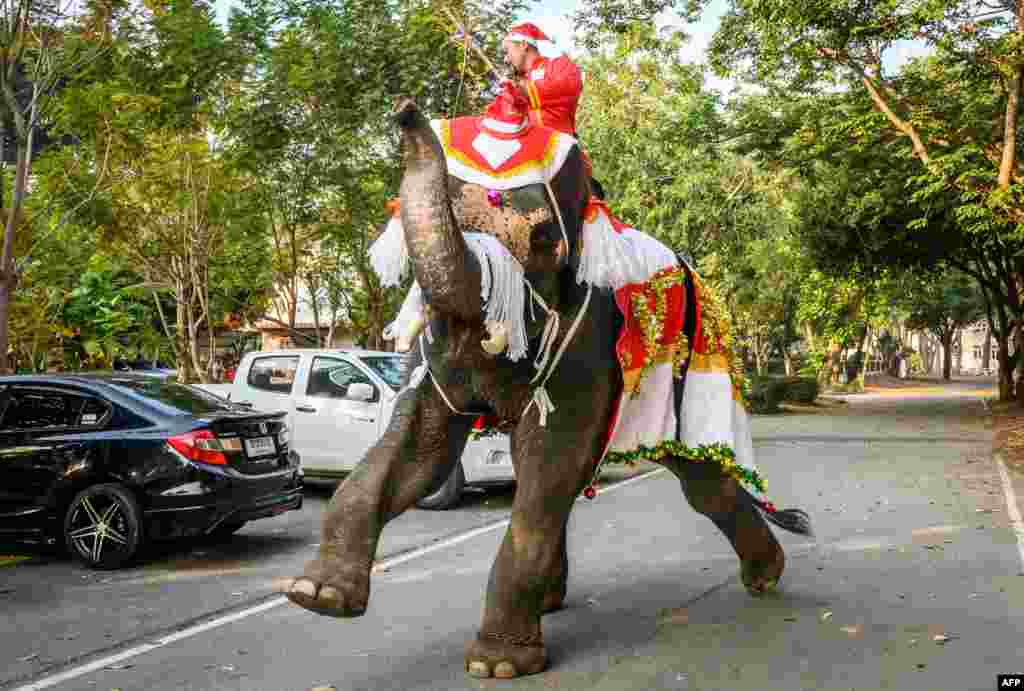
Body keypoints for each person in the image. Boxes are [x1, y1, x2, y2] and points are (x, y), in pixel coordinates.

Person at [501, 22, 583, 138]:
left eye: (507, 51)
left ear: (523, 45)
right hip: (525, 150)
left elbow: (569, 85)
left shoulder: (558, 64)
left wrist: (526, 90)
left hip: (560, 148)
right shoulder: (517, 81)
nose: (506, 59)